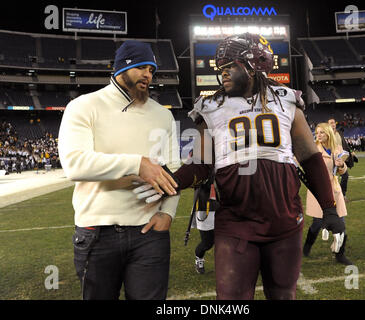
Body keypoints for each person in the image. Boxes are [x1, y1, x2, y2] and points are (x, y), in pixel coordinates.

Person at [135, 33, 345, 300]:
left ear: (254, 64)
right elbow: (201, 164)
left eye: (228, 67)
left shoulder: (286, 99)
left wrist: (328, 207)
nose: (221, 74)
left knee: (283, 295)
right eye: (220, 69)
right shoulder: (210, 107)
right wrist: (171, 182)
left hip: (285, 222)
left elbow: (309, 157)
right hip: (235, 223)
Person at [58, 40, 181, 300]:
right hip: (96, 233)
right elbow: (74, 164)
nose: (148, 75)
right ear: (122, 68)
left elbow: (174, 171)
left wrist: (168, 213)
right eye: (142, 67)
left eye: (152, 70)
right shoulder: (84, 106)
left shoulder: (162, 115)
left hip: (150, 233)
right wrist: (137, 164)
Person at [302, 123, 353, 265]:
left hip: (334, 189)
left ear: (328, 134)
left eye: (321, 133)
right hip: (318, 191)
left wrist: (341, 165)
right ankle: (307, 246)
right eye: (317, 133)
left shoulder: (337, 149)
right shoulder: (313, 149)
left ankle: (340, 254)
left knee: (341, 223)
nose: (318, 135)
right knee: (317, 223)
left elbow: (342, 171)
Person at [191, 179, 217, 274]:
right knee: (207, 242)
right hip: (205, 206)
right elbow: (192, 180)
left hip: (224, 206)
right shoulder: (201, 165)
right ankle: (199, 258)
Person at [327, 118, 354, 201]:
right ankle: (330, 197)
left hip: (341, 159)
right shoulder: (327, 135)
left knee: (345, 176)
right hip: (331, 159)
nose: (333, 124)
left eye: (334, 122)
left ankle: (342, 195)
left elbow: (344, 144)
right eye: (331, 123)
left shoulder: (339, 133)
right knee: (331, 179)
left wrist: (350, 152)